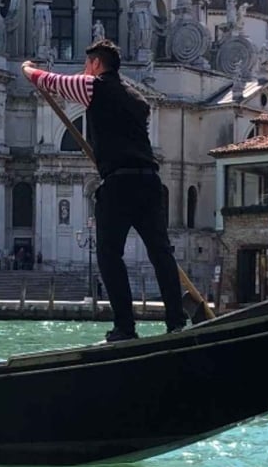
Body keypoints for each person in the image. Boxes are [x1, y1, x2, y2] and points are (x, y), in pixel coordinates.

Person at [22, 38, 185, 341]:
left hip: (118, 183)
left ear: (96, 64)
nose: (85, 70)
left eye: (87, 65)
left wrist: (28, 68)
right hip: (149, 180)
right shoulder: (138, 100)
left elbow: (49, 81)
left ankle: (125, 327)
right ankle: (176, 321)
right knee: (161, 253)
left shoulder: (91, 86)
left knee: (110, 256)